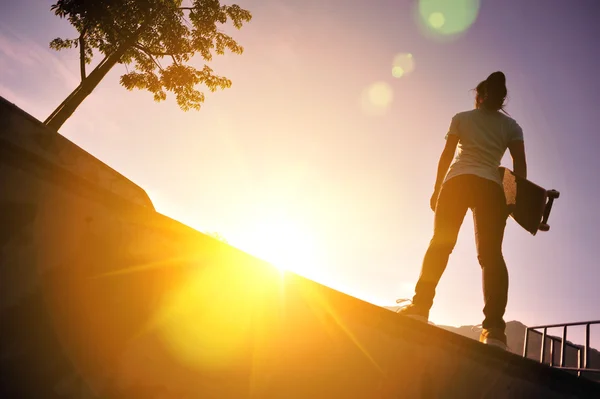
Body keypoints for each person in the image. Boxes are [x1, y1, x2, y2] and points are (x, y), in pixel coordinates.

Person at [397, 71, 527, 350]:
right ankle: (494, 332)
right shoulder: (512, 126)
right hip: (491, 189)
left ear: (479, 96)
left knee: (441, 244)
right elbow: (520, 168)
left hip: (457, 182)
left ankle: (419, 308)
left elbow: (446, 155)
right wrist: (512, 202)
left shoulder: (461, 118)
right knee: (491, 256)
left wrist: (436, 189)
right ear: (501, 98)